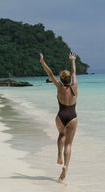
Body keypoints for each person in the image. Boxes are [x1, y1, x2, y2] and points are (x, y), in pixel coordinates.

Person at [39, 52, 78, 182]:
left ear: (61, 79)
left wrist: (43, 62)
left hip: (61, 116)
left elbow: (50, 74)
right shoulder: (74, 87)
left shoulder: (59, 87)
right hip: (72, 117)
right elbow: (74, 73)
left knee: (61, 135)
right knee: (69, 144)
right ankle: (66, 167)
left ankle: (58, 154)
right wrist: (72, 60)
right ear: (69, 80)